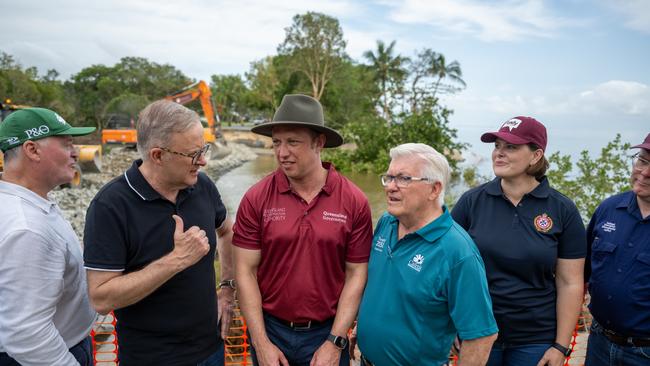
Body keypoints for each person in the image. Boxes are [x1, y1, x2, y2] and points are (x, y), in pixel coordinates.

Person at [83, 100, 235, 366]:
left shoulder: (202, 186)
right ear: (157, 155)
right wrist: (175, 261)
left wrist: (227, 289)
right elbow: (101, 298)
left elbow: (227, 232)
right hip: (152, 358)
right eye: (193, 154)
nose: (203, 160)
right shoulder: (110, 206)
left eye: (204, 149)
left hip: (211, 350)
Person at [233, 94, 373, 366]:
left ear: (319, 142)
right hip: (270, 329)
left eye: (293, 142)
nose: (282, 153)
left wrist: (335, 341)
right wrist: (261, 343)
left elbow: (356, 274)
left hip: (327, 332)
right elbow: (245, 271)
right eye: (276, 142)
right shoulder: (257, 197)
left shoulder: (353, 200)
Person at [451, 116, 587, 366]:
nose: (499, 154)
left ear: (536, 156)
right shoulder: (471, 202)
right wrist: (451, 324)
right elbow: (447, 267)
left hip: (535, 339)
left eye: (511, 147)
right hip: (477, 331)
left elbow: (570, 282)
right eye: (497, 146)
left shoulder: (562, 209)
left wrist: (560, 345)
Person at [354, 143, 498, 366]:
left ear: (434, 189)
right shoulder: (386, 222)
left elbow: (481, 337)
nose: (390, 187)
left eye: (403, 179)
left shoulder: (458, 252)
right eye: (389, 177)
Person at [0, 108, 97, 365]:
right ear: (32, 150)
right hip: (52, 355)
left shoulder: (25, 203)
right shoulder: (26, 228)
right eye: (66, 144)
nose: (75, 152)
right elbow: (26, 333)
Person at [584, 133, 650, 365]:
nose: (645, 172)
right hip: (599, 343)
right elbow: (581, 271)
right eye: (642, 160)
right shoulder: (609, 208)